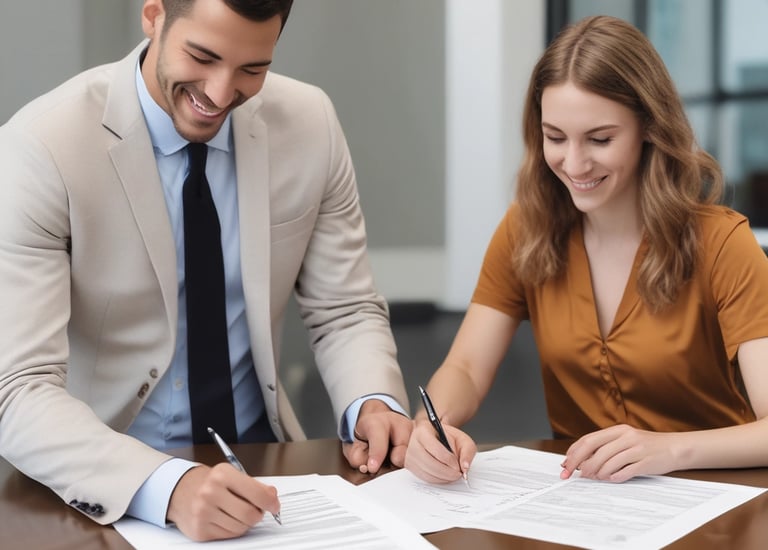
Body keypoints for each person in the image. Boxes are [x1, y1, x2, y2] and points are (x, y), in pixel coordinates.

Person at [0, 0, 412, 542]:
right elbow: (19, 387)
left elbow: (345, 311)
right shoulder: (41, 146)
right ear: (153, 16)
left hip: (269, 471)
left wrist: (373, 403)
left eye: (252, 70)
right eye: (202, 56)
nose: (220, 94)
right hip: (110, 479)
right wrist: (168, 486)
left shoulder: (311, 123)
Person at [404, 15, 768, 487]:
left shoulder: (722, 244)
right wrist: (431, 428)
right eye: (555, 137)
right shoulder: (525, 229)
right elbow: (466, 368)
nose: (573, 164)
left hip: (714, 499)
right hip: (585, 504)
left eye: (599, 139)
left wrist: (667, 448)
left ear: (649, 129)